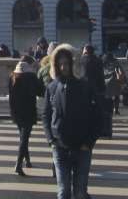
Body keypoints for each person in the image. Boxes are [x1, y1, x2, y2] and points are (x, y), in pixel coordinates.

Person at [43, 44, 100, 199]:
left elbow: (97, 115)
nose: (63, 67)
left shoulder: (85, 86)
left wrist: (88, 142)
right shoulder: (52, 87)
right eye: (60, 64)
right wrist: (50, 139)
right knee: (63, 191)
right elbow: (46, 115)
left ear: (72, 64)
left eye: (66, 63)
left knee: (80, 192)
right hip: (60, 146)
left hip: (82, 146)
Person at [9, 56, 45, 176]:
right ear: (29, 65)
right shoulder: (31, 77)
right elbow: (41, 91)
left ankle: (27, 160)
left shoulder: (13, 76)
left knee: (23, 136)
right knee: (24, 138)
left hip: (16, 111)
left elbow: (11, 96)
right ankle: (18, 164)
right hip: (28, 111)